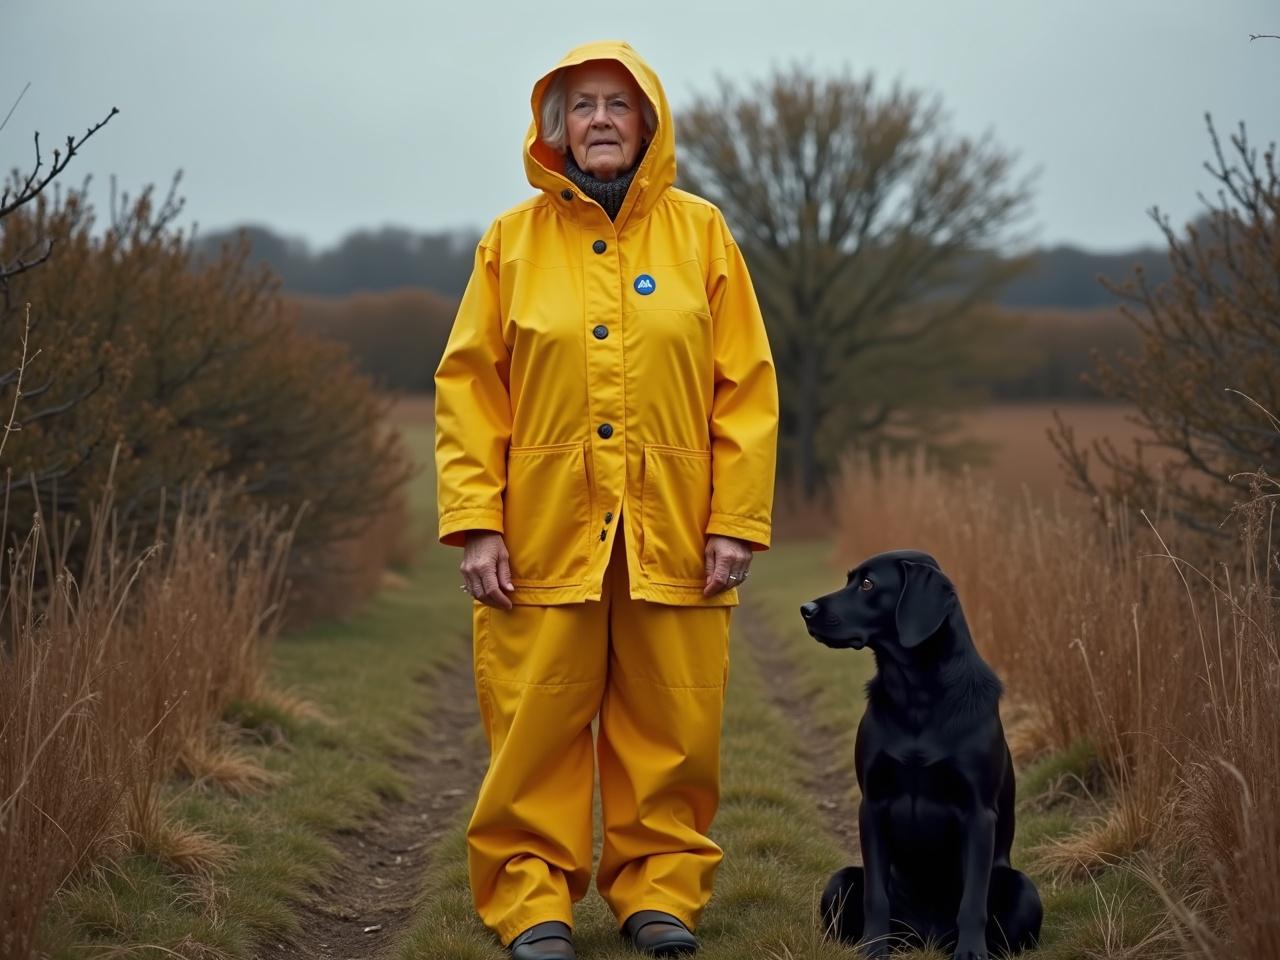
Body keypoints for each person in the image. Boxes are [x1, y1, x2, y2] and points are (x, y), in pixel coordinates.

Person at [434, 39, 778, 960]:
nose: (598, 121)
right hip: (543, 533)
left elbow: (745, 385)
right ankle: (531, 902)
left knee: (672, 723)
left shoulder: (703, 233)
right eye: (581, 106)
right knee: (535, 723)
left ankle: (659, 893)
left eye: (617, 106)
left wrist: (735, 520)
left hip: (675, 529)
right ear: (554, 129)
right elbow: (470, 388)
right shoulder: (510, 241)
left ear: (648, 124)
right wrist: (475, 524)